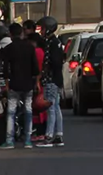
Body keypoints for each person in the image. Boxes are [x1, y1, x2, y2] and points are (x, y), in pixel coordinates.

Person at [0, 22, 39, 149]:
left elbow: (5, 69)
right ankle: (27, 140)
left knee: (11, 112)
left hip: (14, 84)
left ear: (10, 34)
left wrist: (6, 84)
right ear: (21, 33)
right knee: (28, 111)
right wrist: (36, 82)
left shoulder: (8, 49)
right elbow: (35, 68)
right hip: (28, 84)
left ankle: (9, 141)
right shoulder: (30, 47)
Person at [36, 16, 66, 148]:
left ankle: (48, 136)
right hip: (56, 79)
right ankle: (58, 135)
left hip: (52, 79)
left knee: (50, 108)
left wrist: (46, 74)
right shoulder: (55, 42)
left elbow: (54, 62)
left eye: (42, 29)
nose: (41, 31)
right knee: (56, 107)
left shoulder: (52, 43)